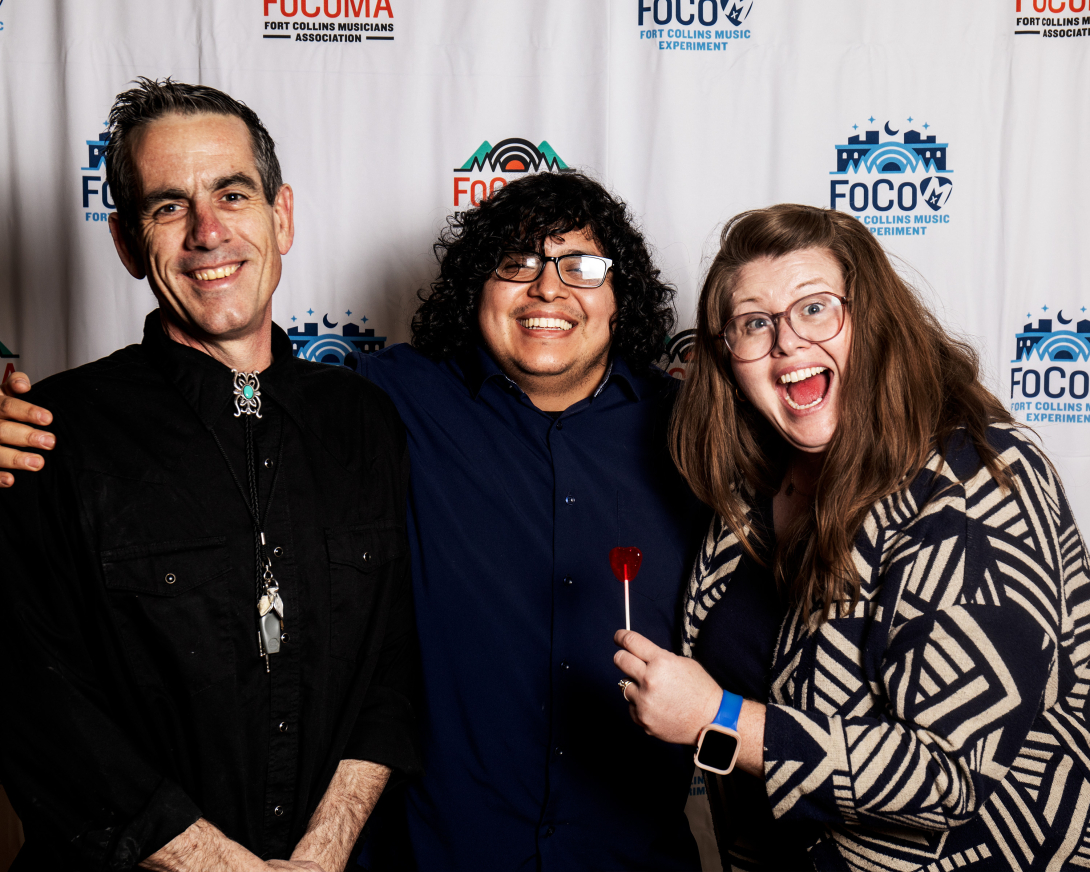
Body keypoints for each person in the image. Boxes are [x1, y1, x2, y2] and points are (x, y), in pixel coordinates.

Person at [0, 170, 709, 869]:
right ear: (478, 289)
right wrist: (24, 429)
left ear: (622, 293)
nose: (548, 287)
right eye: (515, 262)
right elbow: (226, 389)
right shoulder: (384, 401)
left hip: (630, 852)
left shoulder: (692, 432)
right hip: (438, 854)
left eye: (581, 265)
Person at [0, 78, 420, 870]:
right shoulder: (46, 434)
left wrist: (321, 854)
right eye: (167, 206)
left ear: (281, 216)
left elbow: (391, 670)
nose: (207, 231)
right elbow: (34, 706)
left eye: (232, 193)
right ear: (128, 244)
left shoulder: (364, 421)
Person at [613, 203, 1090, 870]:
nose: (786, 343)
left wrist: (720, 718)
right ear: (729, 361)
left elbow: (949, 774)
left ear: (874, 320)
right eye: (754, 323)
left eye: (814, 308)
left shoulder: (976, 480)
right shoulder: (749, 494)